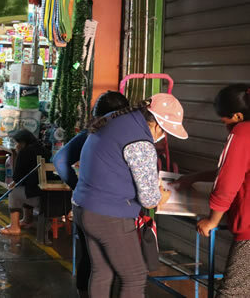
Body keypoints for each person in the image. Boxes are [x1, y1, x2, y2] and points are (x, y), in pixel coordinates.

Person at [72, 93, 184, 297]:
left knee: (102, 271)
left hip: (83, 207)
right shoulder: (140, 142)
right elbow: (150, 200)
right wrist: (162, 196)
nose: (164, 136)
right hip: (109, 216)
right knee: (134, 276)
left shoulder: (116, 119)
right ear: (158, 125)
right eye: (166, 131)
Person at [52, 91, 129, 298]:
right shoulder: (128, 136)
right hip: (115, 208)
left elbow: (60, 161)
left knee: (89, 257)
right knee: (117, 263)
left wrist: (76, 185)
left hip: (84, 204)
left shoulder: (90, 134)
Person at [194, 84, 250, 297]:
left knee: (232, 293)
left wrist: (212, 221)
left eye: (223, 118)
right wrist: (195, 177)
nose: (222, 123)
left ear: (237, 115)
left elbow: (228, 182)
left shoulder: (243, 132)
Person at [0, 129, 51, 236]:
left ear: (23, 142)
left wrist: (18, 155)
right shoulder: (45, 150)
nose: (16, 145)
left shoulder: (24, 152)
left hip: (39, 199)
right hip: (51, 196)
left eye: (17, 143)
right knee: (26, 189)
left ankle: (14, 227)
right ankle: (27, 220)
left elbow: (17, 177)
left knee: (13, 192)